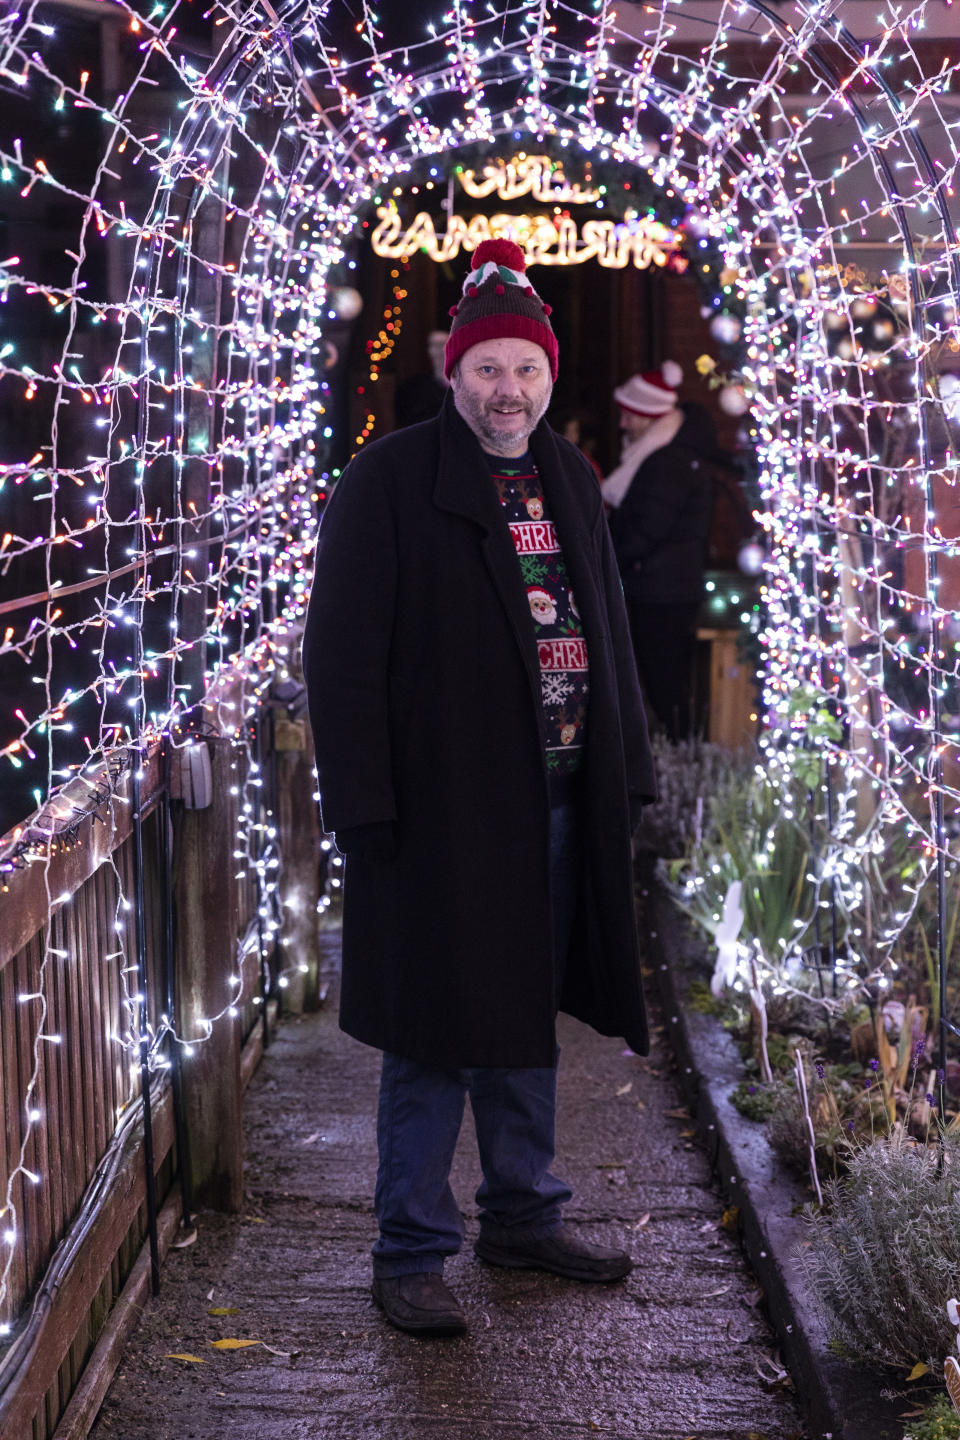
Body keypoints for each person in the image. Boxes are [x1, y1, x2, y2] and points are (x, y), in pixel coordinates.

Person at [302, 237, 656, 1340]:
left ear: (549, 378)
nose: (509, 391)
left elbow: (609, 631)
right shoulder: (390, 482)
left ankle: (522, 1214)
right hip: (438, 815)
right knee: (434, 1034)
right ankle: (410, 1250)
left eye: (527, 371)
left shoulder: (569, 482)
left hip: (553, 803)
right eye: (490, 369)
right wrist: (364, 812)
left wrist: (626, 772)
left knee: (522, 1019)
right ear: (455, 371)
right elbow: (343, 657)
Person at [602, 364, 715, 741]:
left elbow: (647, 530)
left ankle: (684, 751)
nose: (624, 424)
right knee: (661, 678)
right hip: (662, 588)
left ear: (649, 416)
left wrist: (605, 559)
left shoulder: (667, 463)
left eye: (629, 415)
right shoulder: (662, 456)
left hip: (662, 592)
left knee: (663, 680)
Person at [394, 328, 450, 427]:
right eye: (433, 346)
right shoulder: (413, 389)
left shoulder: (466, 384)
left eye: (441, 345)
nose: (437, 352)